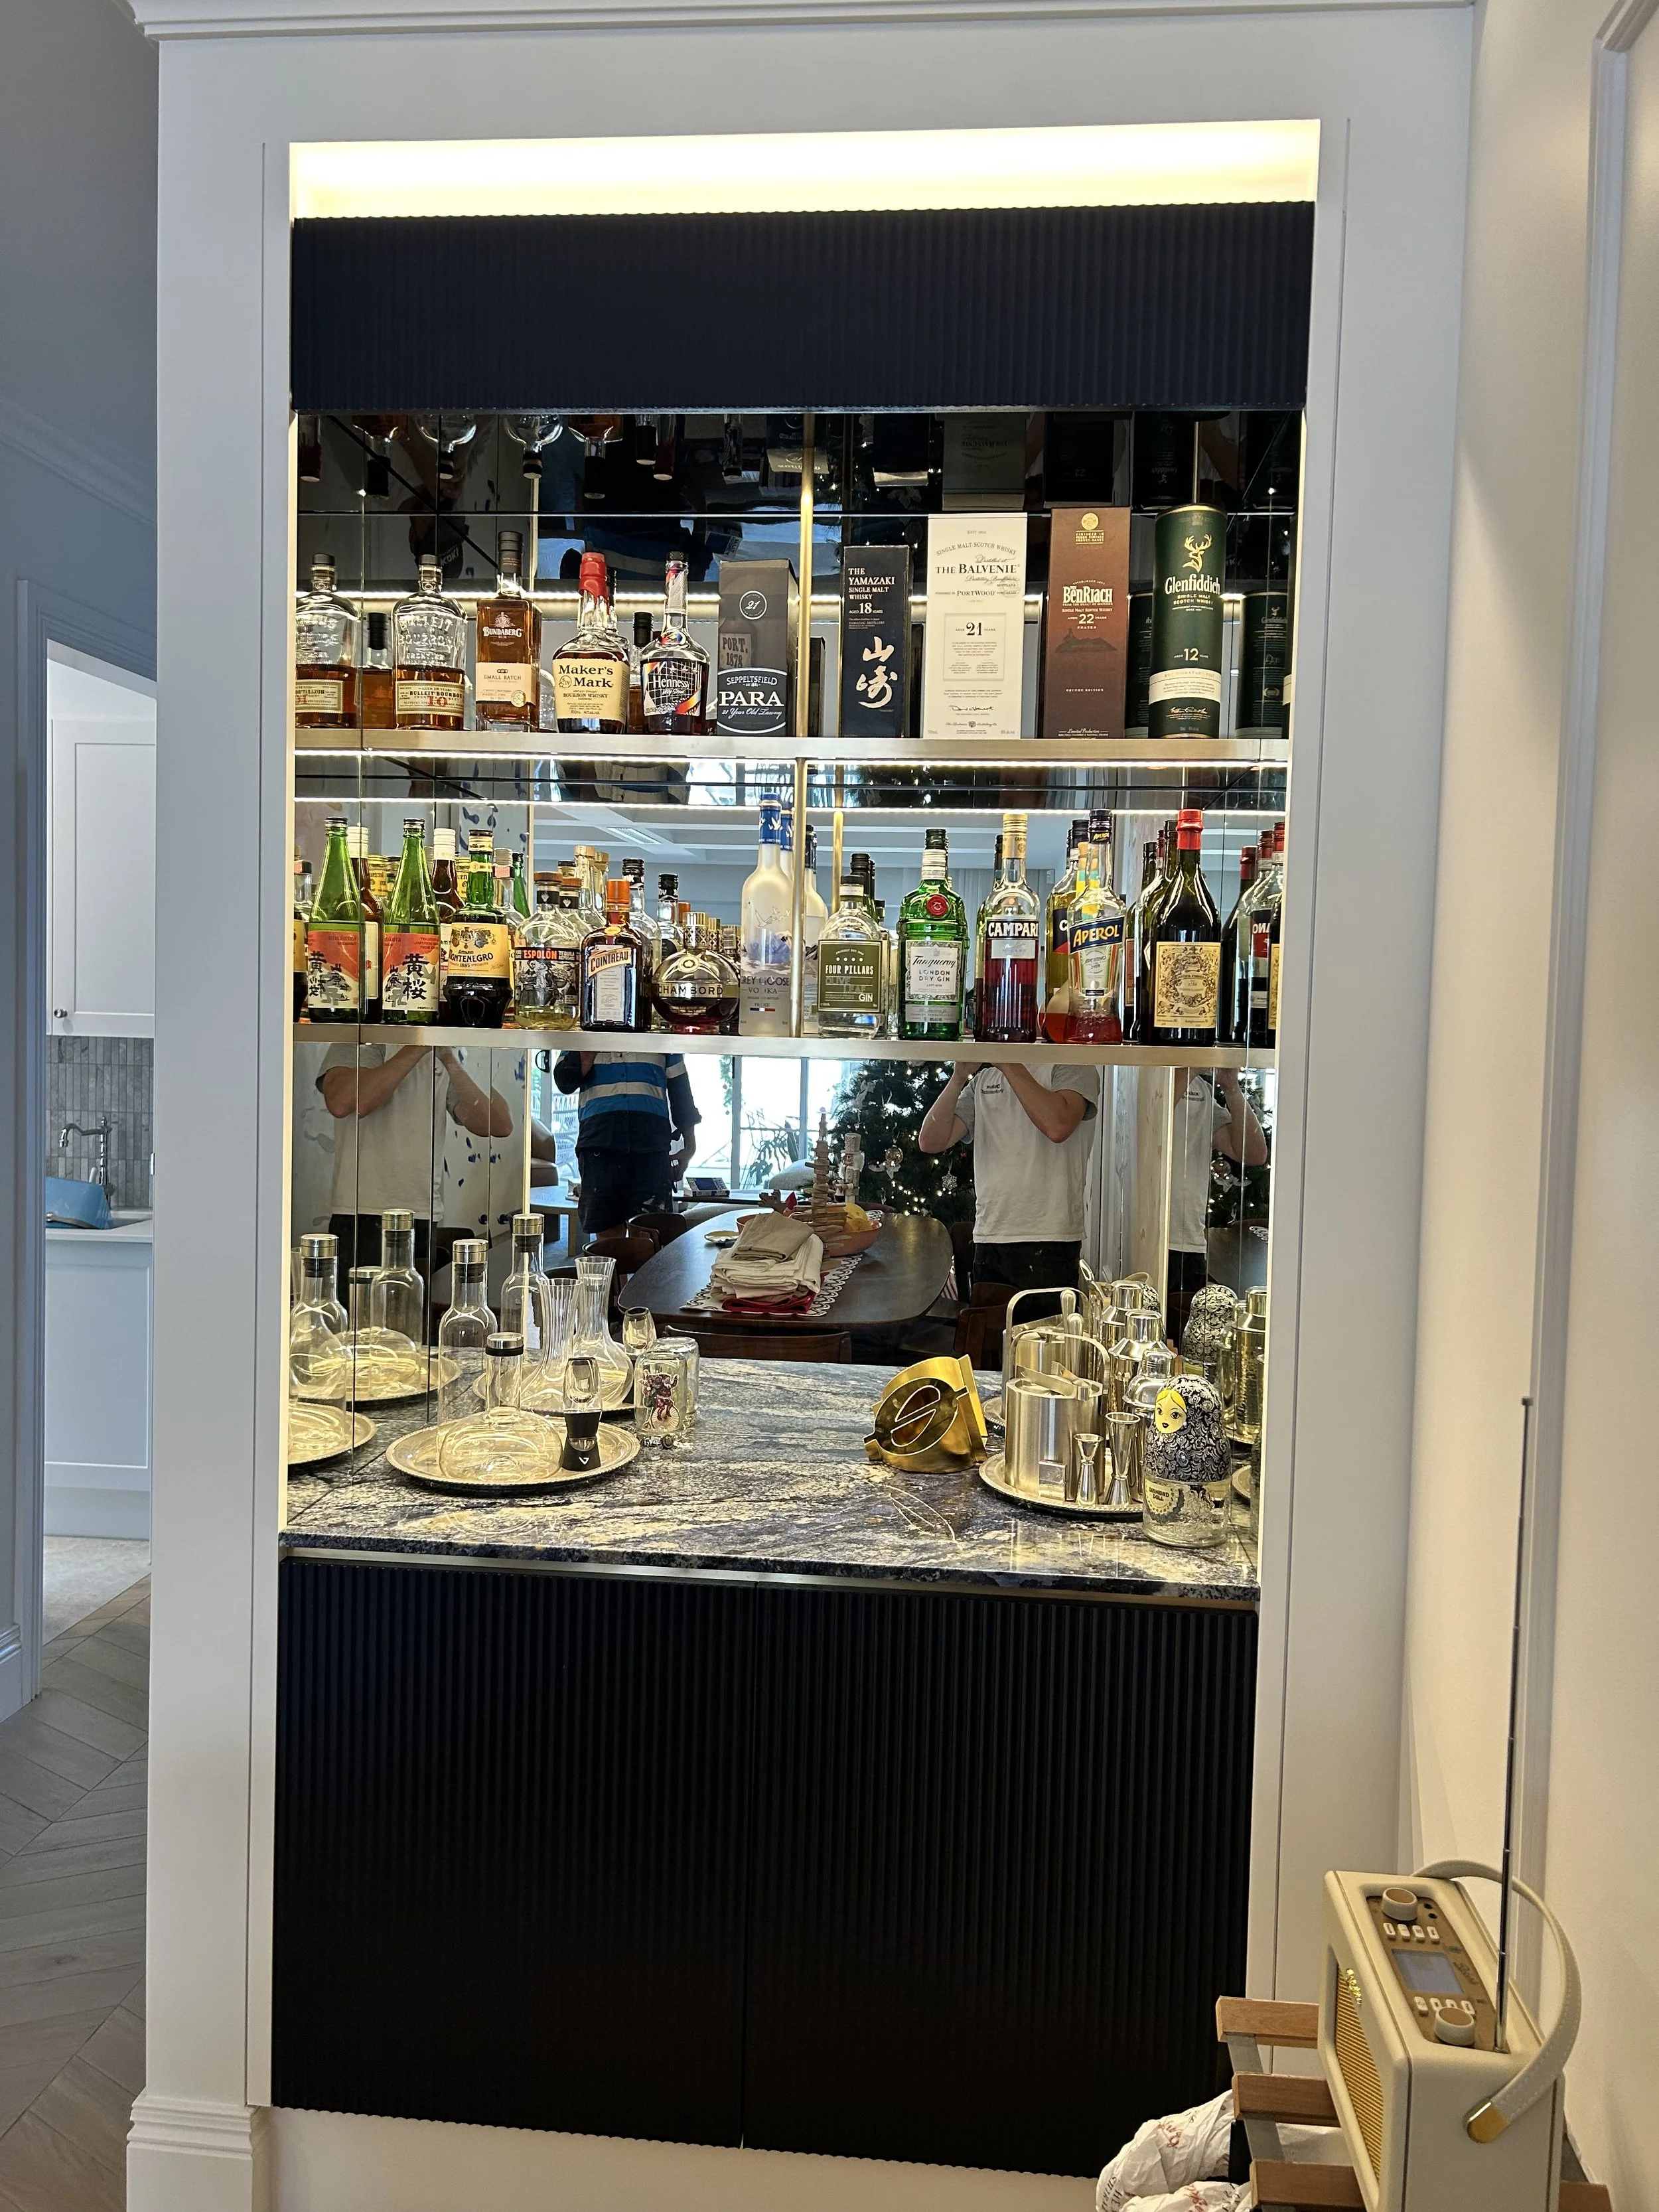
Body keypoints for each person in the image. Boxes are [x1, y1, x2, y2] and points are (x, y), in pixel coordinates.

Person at [319, 1042, 554, 1276]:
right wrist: (419, 1043)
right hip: (361, 1210)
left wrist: (449, 1060)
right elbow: (343, 1102)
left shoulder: (441, 1054)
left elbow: (499, 1123)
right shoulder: (360, 1039)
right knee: (357, 1299)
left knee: (416, 1297)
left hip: (423, 1212)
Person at [918, 1061, 1100, 1299]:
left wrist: (1007, 1060)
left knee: (1047, 1325)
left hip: (1050, 1239)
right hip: (989, 1236)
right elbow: (931, 1141)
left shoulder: (1072, 1064)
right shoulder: (984, 1079)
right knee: (989, 1324)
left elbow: (1058, 1126)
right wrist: (958, 1077)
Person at [553, 1048, 700, 1238]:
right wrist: (590, 1046)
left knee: (652, 1232)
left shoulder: (660, 1037)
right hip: (600, 1145)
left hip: (650, 1146)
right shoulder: (584, 1037)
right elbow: (564, 1082)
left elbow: (681, 1092)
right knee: (608, 1236)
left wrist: (690, 1146)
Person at [1166, 1067, 1267, 1341]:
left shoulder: (1201, 1090)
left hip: (1190, 1242)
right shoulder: (1149, 1076)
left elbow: (1254, 1154)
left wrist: (1231, 1087)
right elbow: (1153, 1123)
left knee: (1190, 1345)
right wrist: (1189, 1066)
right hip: (1146, 1240)